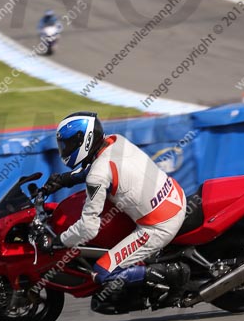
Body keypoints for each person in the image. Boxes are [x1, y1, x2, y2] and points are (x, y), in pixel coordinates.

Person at [39, 112, 188, 303]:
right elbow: (101, 168)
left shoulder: (97, 176)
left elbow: (88, 228)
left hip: (158, 226)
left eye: (67, 144)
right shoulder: (115, 141)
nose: (65, 149)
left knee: (102, 272)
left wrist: (58, 242)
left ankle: (173, 273)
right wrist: (66, 179)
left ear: (84, 141)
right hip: (174, 195)